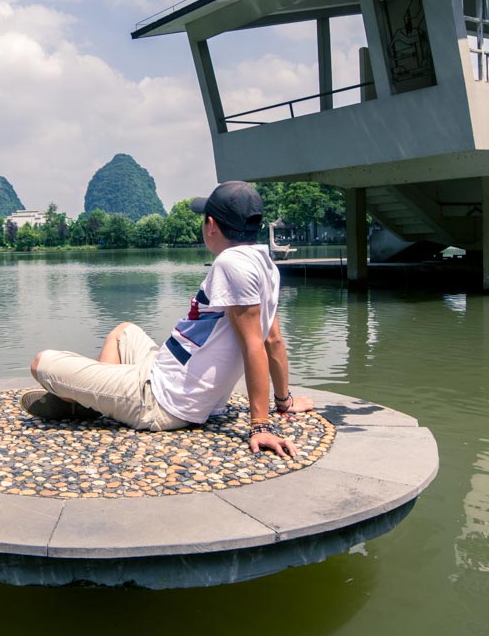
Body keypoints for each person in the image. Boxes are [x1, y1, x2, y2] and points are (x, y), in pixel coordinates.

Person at [24, 181, 312, 457]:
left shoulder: (230, 262)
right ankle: (94, 400)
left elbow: (254, 346)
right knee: (124, 331)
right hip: (164, 376)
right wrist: (284, 402)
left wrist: (259, 425)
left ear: (211, 225)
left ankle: (92, 400)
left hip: (162, 400)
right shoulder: (265, 265)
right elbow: (272, 339)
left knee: (42, 363)